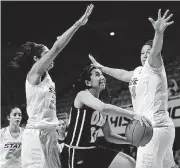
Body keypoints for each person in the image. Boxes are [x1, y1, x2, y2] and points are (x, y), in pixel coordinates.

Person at [89, 9, 177, 168]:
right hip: (161, 130)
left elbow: (156, 52)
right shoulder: (138, 71)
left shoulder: (155, 66)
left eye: (148, 52)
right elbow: (122, 74)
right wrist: (101, 67)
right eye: (142, 52)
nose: (145, 55)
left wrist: (158, 33)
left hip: (153, 129)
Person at [10, 4, 94, 168]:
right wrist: (78, 24)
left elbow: (57, 44)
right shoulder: (34, 73)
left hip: (50, 133)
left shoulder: (47, 77)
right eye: (46, 53)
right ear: (37, 59)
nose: (50, 56)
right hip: (36, 133)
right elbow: (57, 47)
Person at [61, 64, 151, 168]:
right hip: (75, 151)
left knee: (129, 163)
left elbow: (109, 135)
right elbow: (103, 108)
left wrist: (130, 141)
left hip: (93, 150)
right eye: (97, 74)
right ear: (88, 82)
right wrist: (132, 115)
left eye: (102, 74)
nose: (102, 77)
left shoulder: (102, 102)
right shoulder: (82, 95)